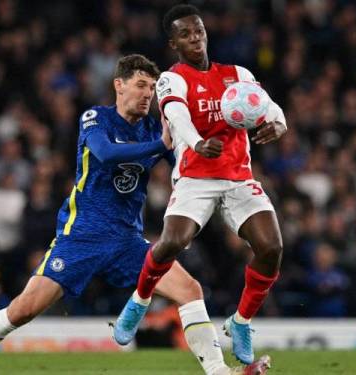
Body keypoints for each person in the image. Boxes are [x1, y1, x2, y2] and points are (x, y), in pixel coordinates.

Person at [0, 54, 269, 375]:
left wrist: (216, 146)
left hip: (127, 242)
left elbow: (186, 168)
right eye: (140, 85)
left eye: (152, 88)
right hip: (82, 236)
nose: (147, 94)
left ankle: (219, 371)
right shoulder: (96, 118)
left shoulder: (155, 129)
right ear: (118, 85)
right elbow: (106, 154)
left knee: (190, 290)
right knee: (23, 310)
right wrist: (162, 145)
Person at [114, 5, 287, 366]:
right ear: (173, 43)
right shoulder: (171, 80)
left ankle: (240, 322)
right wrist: (196, 144)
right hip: (196, 177)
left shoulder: (237, 74)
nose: (195, 38)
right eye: (185, 34)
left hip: (238, 177)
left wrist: (279, 124)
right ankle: (140, 300)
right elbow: (176, 116)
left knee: (271, 248)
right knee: (173, 242)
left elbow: (269, 106)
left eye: (198, 31)